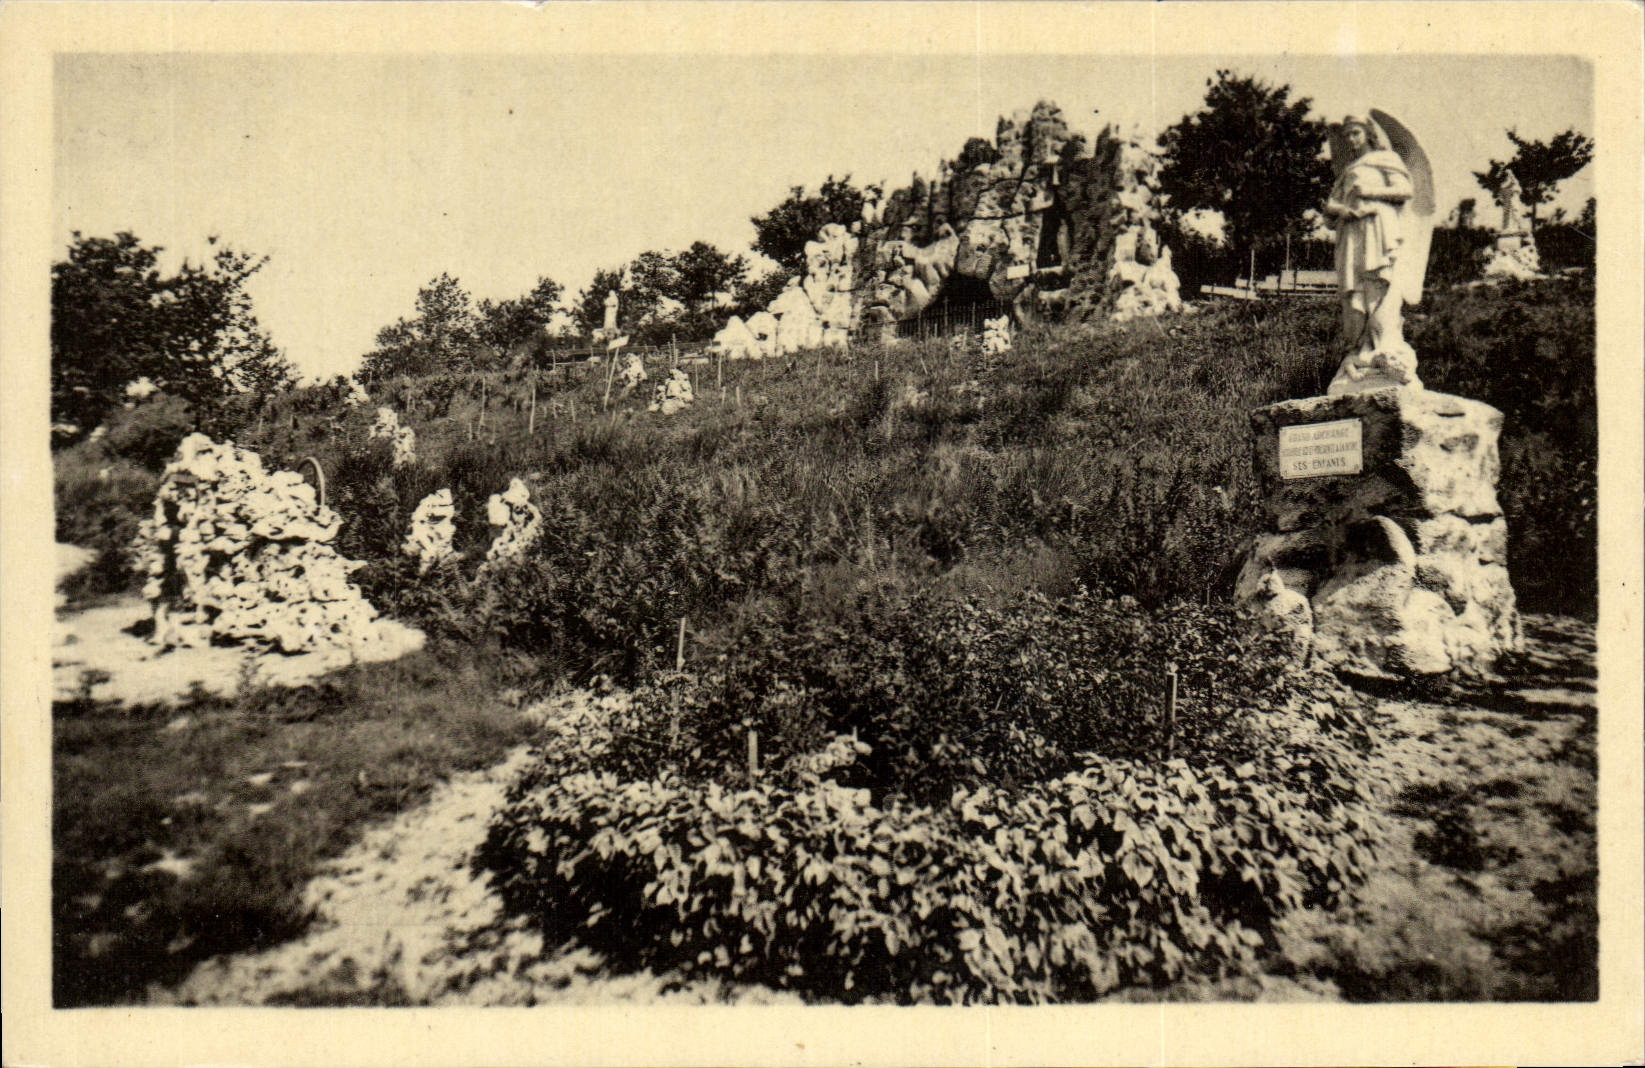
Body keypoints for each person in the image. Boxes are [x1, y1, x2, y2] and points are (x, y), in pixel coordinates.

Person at [1323, 116, 1419, 391]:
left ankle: (1383, 347)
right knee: (1356, 292)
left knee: (1377, 283)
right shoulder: (1349, 169)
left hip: (1377, 227)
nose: (1352, 140)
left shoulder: (1385, 159)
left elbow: (1405, 190)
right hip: (1352, 232)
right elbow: (1330, 208)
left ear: (1369, 134)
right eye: (1348, 136)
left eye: (1356, 133)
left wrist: (1370, 192)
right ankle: (1363, 348)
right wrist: (1343, 210)